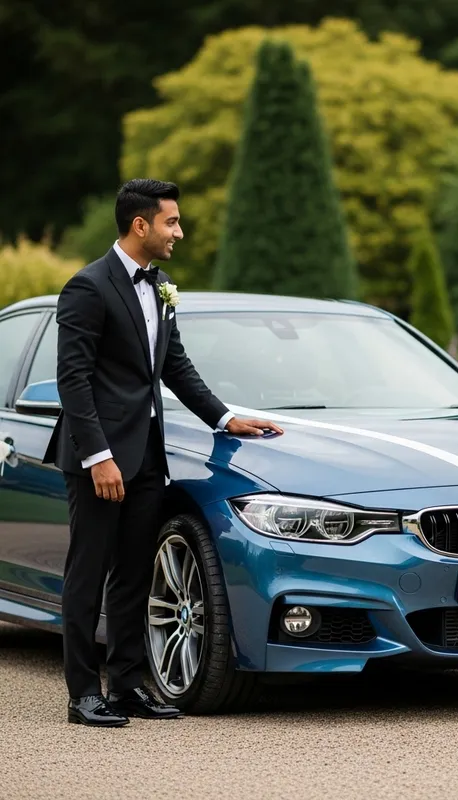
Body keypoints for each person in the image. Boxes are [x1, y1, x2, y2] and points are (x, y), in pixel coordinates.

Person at [43, 179, 284, 727]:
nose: (180, 231)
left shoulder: (162, 285)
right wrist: (98, 456)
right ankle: (84, 693)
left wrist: (225, 417)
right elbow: (73, 381)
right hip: (99, 457)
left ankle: (126, 687)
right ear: (140, 225)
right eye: (172, 222)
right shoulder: (87, 288)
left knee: (133, 572)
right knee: (88, 573)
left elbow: (175, 367)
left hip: (149, 454)